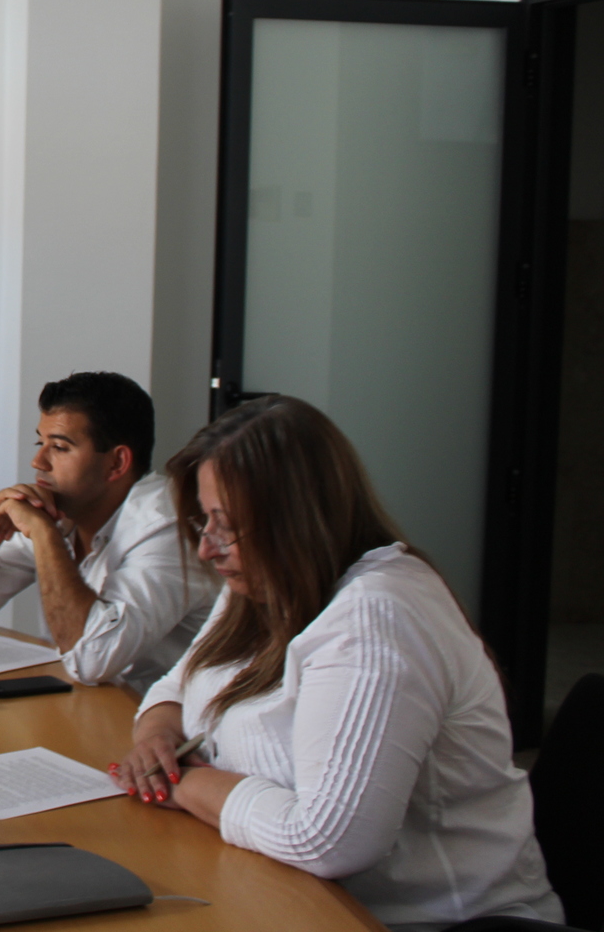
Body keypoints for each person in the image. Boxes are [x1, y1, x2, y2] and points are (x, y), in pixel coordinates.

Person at [111, 397, 561, 930]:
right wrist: (157, 737)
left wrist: (185, 785)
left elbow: (329, 841)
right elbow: (178, 682)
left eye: (226, 526)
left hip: (436, 921)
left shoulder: (376, 618)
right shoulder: (265, 584)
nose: (207, 549)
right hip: (283, 890)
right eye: (204, 521)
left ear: (294, 522)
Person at [0, 372, 215, 689]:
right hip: (85, 703)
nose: (38, 462)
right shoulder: (63, 508)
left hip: (157, 715)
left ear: (117, 463)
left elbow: (92, 661)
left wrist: (44, 535)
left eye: (60, 447)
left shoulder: (167, 527)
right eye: (40, 443)